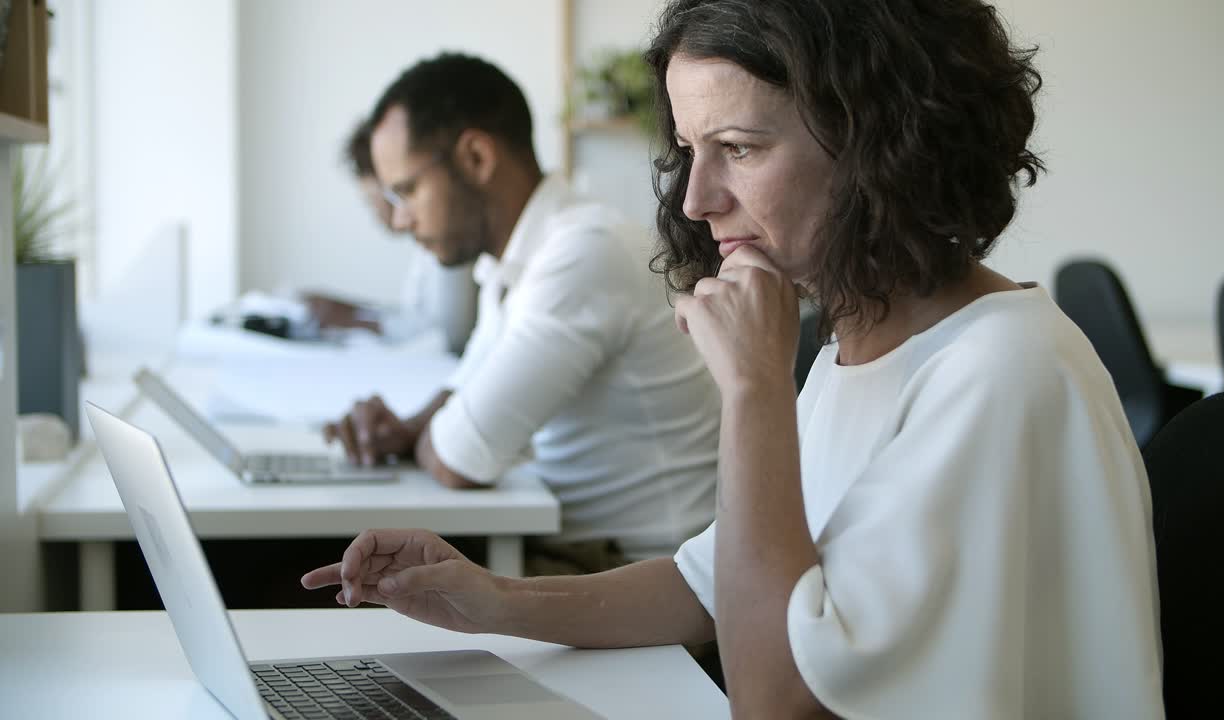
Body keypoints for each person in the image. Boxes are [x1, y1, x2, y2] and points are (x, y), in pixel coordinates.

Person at [303, 2, 1165, 717]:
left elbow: (777, 699)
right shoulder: (860, 340)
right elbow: (713, 583)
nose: (696, 197)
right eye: (689, 152)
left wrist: (755, 389)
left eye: (741, 150)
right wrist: (489, 601)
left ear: (880, 141)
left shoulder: (1000, 372)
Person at [322, 53, 721, 572]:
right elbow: (457, 398)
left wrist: (431, 433)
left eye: (407, 191)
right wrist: (404, 429)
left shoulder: (582, 251)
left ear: (476, 158)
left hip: (636, 580)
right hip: (570, 556)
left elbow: (458, 459)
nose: (399, 220)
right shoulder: (514, 262)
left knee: (308, 588)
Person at [302, 119, 480, 353]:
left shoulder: (450, 238)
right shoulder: (426, 240)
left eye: (404, 190)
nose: (398, 216)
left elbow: (452, 337)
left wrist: (357, 319)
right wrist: (354, 310)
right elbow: (418, 316)